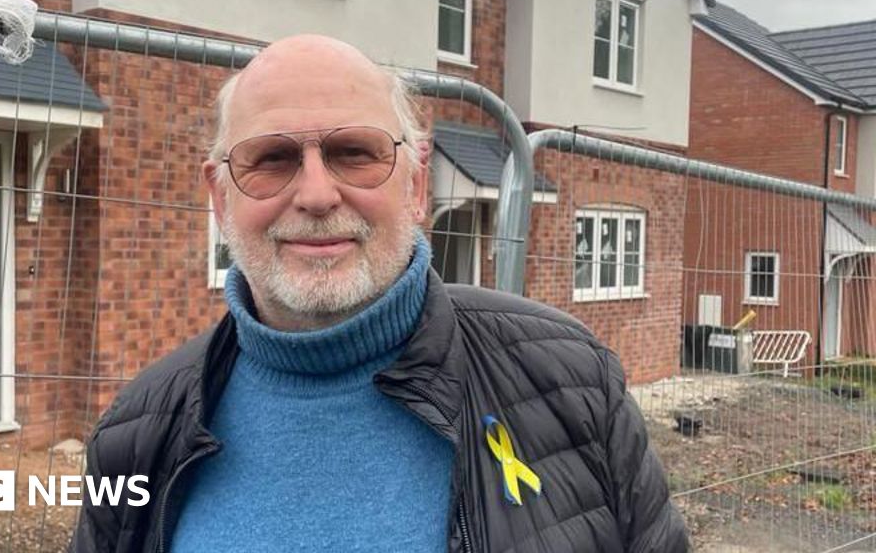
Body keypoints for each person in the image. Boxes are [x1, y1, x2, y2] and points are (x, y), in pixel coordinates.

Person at [70, 34, 688, 553]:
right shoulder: (135, 436)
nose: (315, 194)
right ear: (220, 196)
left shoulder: (570, 380)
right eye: (272, 159)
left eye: (353, 153)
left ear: (417, 184)